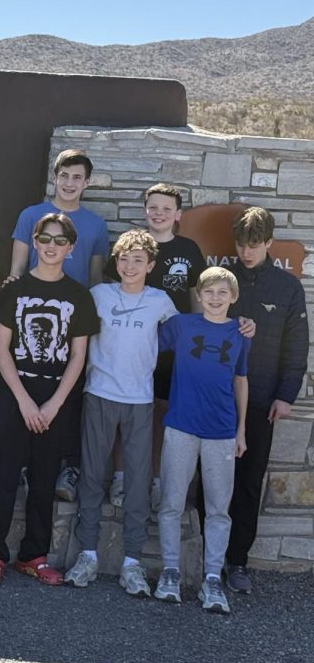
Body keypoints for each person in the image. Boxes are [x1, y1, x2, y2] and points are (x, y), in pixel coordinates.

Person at [0, 213, 99, 587]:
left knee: (45, 479)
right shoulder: (14, 290)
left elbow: (78, 356)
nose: (51, 246)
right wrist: (25, 401)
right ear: (35, 240)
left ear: (71, 248)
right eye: (44, 238)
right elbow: (1, 348)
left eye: (59, 240)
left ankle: (34, 555)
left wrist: (54, 404)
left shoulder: (79, 296)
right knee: (3, 476)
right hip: (15, 395)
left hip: (55, 402)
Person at [65, 230, 177, 597]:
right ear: (115, 261)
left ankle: (132, 561)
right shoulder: (99, 295)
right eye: (124, 258)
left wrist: (237, 326)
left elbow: (188, 334)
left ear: (151, 265)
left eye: (138, 260)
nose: (130, 266)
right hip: (99, 394)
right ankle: (87, 555)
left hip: (140, 400)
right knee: (93, 476)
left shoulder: (161, 301)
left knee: (137, 482)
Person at [6, 149, 110, 503]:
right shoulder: (30, 215)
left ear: (86, 182)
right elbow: (17, 268)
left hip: (73, 321)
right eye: (65, 175)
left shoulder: (96, 225)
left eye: (77, 177)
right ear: (55, 176)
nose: (70, 183)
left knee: (69, 394)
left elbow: (95, 280)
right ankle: (22, 467)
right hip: (30, 315)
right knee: (25, 390)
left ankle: (66, 468)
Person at [103, 184, 206, 509]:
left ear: (178, 215)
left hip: (170, 352)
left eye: (166, 208)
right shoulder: (129, 246)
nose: (159, 213)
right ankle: (121, 480)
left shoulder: (188, 250)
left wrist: (199, 344)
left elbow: (196, 302)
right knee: (124, 417)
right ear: (145, 210)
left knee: (162, 415)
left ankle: (158, 484)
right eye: (153, 207)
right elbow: (109, 296)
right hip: (128, 347)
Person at [224, 206, 309, 595]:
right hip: (215, 400)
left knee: (247, 483)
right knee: (209, 483)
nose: (247, 251)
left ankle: (237, 561)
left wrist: (286, 395)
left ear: (269, 243)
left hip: (260, 401)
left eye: (254, 244)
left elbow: (296, 346)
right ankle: (211, 558)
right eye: (242, 244)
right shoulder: (220, 280)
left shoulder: (288, 287)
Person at [154, 267, 249, 613]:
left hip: (222, 431)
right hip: (181, 424)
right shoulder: (182, 325)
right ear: (198, 294)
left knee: (218, 509)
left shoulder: (241, 332)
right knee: (171, 502)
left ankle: (212, 578)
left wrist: (241, 431)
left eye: (222, 292)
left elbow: (241, 381)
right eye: (208, 291)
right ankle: (169, 571)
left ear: (233, 297)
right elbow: (147, 340)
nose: (215, 298)